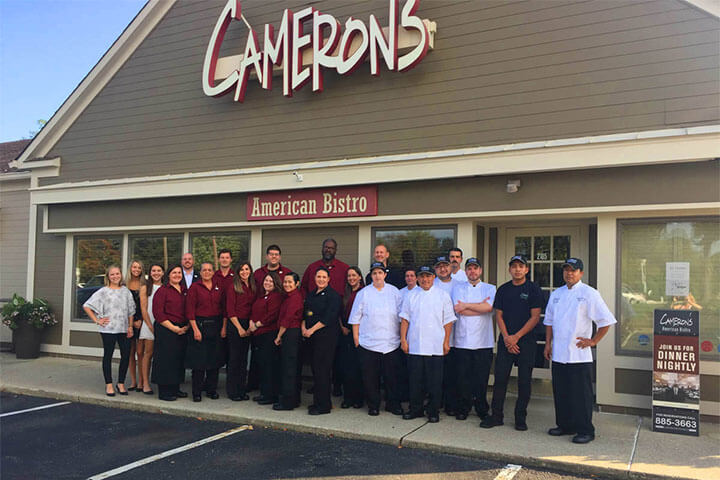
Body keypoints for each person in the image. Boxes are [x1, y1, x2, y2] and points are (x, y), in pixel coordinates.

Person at [544, 257, 616, 444]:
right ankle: (564, 425)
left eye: (573, 270)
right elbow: (549, 321)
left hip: (578, 355)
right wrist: (547, 344)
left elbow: (606, 321)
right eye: (567, 270)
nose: (569, 273)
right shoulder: (556, 294)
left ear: (581, 273)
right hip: (559, 353)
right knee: (561, 392)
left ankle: (585, 430)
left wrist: (594, 341)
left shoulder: (589, 293)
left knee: (581, 395)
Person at [483, 255, 543, 431]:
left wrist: (516, 337)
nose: (517, 269)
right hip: (506, 341)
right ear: (509, 269)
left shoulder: (533, 289)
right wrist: (508, 337)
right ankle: (496, 416)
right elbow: (498, 315)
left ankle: (520, 418)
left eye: (521, 266)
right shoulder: (503, 290)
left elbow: (535, 317)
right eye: (514, 266)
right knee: (500, 379)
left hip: (527, 341)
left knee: (524, 381)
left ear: (527, 270)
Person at [400, 266, 455, 423]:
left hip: (435, 346)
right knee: (415, 381)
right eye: (422, 276)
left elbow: (448, 321)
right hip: (415, 345)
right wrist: (403, 340)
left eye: (428, 276)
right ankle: (415, 409)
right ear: (417, 278)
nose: (425, 279)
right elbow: (405, 319)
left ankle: (433, 411)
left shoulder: (442, 296)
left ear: (433, 277)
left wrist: (446, 342)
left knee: (434, 382)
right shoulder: (411, 296)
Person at [349, 262, 404, 416]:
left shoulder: (394, 292)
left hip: (391, 343)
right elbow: (355, 318)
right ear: (371, 276)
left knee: (392, 378)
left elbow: (402, 318)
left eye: (380, 273)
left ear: (385, 274)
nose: (377, 276)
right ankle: (373, 405)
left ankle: (393, 404)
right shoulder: (364, 293)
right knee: (370, 378)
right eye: (374, 273)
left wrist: (402, 338)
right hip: (368, 344)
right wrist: (356, 340)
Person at [450, 257, 496, 421]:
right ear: (466, 270)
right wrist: (479, 306)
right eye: (469, 268)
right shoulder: (457, 288)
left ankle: (482, 407)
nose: (472, 271)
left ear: (480, 270)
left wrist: (467, 305)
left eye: (475, 268)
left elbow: (489, 308)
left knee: (481, 378)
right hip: (462, 341)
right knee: (463, 378)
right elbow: (458, 309)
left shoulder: (490, 288)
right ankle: (464, 407)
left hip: (484, 341)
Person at [83, 265, 135, 397]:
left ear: (121, 275)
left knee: (126, 355)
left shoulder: (126, 291)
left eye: (117, 274)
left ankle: (121, 383)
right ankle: (109, 384)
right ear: (108, 277)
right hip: (108, 329)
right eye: (112, 274)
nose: (115, 276)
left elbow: (131, 311)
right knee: (108, 355)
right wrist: (97, 320)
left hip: (123, 329)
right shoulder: (103, 292)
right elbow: (87, 306)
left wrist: (130, 326)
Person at [303, 267, 342, 415]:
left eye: (324, 277)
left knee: (323, 371)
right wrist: (303, 327)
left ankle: (324, 406)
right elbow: (306, 312)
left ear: (329, 279)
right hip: (311, 338)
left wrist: (311, 329)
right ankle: (317, 402)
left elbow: (329, 317)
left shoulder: (333, 296)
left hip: (326, 339)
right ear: (314, 278)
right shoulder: (312, 294)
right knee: (315, 371)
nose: (321, 279)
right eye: (318, 277)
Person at [186, 263, 225, 402]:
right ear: (200, 273)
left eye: (210, 270)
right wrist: (195, 329)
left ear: (213, 272)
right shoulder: (195, 287)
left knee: (214, 360)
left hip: (216, 325)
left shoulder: (219, 286)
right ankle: (197, 392)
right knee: (199, 362)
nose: (207, 272)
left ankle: (211, 390)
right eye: (204, 270)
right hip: (200, 326)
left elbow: (224, 308)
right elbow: (190, 311)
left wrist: (223, 327)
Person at [151, 265, 189, 401]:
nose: (177, 275)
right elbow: (158, 313)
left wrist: (186, 327)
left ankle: (175, 388)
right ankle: (164, 392)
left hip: (182, 329)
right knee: (165, 360)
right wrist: (174, 328)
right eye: (174, 273)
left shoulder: (185, 290)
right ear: (168, 275)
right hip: (166, 329)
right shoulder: (162, 291)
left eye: (179, 273)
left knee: (178, 360)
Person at [249, 272, 283, 405]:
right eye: (266, 280)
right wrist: (251, 322)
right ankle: (264, 392)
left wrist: (257, 324)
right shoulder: (262, 296)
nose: (267, 283)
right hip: (258, 334)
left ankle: (270, 395)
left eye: (270, 281)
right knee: (262, 365)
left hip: (268, 334)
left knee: (269, 366)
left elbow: (272, 315)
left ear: (275, 283)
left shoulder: (276, 297)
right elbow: (254, 311)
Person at [273, 272, 304, 410]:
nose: (287, 284)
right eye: (285, 282)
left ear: (297, 283)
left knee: (289, 369)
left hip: (291, 333)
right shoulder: (288, 297)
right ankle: (294, 399)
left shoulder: (295, 298)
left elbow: (287, 319)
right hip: (289, 333)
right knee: (291, 367)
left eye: (290, 282)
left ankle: (287, 402)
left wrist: (279, 336)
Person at [225, 262, 255, 401]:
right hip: (236, 324)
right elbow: (230, 310)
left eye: (247, 269)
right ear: (238, 272)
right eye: (242, 269)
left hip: (249, 325)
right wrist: (239, 328)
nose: (244, 272)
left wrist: (250, 326)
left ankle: (241, 389)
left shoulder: (253, 287)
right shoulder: (233, 287)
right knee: (235, 359)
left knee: (243, 360)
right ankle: (233, 391)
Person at [433, 255, 458, 416]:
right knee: (436, 374)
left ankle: (451, 404)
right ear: (435, 269)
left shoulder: (460, 285)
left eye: (445, 266)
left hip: (457, 337)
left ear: (451, 267)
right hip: (435, 338)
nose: (443, 269)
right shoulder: (430, 284)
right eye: (439, 266)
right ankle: (436, 402)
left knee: (452, 374)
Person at [339, 267, 365, 409]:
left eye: (354, 275)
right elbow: (339, 311)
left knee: (359, 367)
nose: (351, 278)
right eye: (349, 276)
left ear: (360, 277)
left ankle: (359, 398)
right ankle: (348, 398)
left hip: (360, 333)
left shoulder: (364, 292)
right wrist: (342, 326)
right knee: (347, 367)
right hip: (345, 332)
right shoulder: (344, 292)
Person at [138, 263, 164, 395]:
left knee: (158, 355)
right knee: (147, 354)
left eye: (159, 270)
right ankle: (145, 384)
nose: (156, 273)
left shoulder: (165, 287)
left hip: (163, 324)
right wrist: (149, 325)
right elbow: (143, 308)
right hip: (149, 324)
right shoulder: (145, 287)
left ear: (163, 273)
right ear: (150, 272)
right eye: (153, 270)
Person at [126, 260, 145, 392]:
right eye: (134, 267)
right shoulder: (124, 285)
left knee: (140, 353)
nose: (136, 269)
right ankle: (133, 381)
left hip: (142, 322)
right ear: (130, 268)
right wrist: (131, 323)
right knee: (130, 353)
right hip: (128, 322)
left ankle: (142, 381)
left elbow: (147, 305)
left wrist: (142, 320)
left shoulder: (145, 284)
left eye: (139, 267)